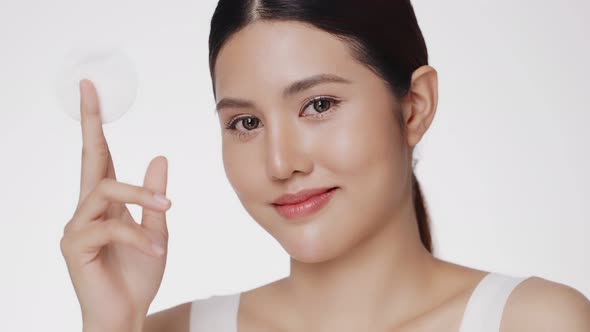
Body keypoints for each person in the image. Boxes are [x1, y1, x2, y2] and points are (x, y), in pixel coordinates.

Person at [60, 0, 590, 331]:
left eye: (318, 105)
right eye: (246, 123)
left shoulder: (533, 322)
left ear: (414, 106)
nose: (281, 162)